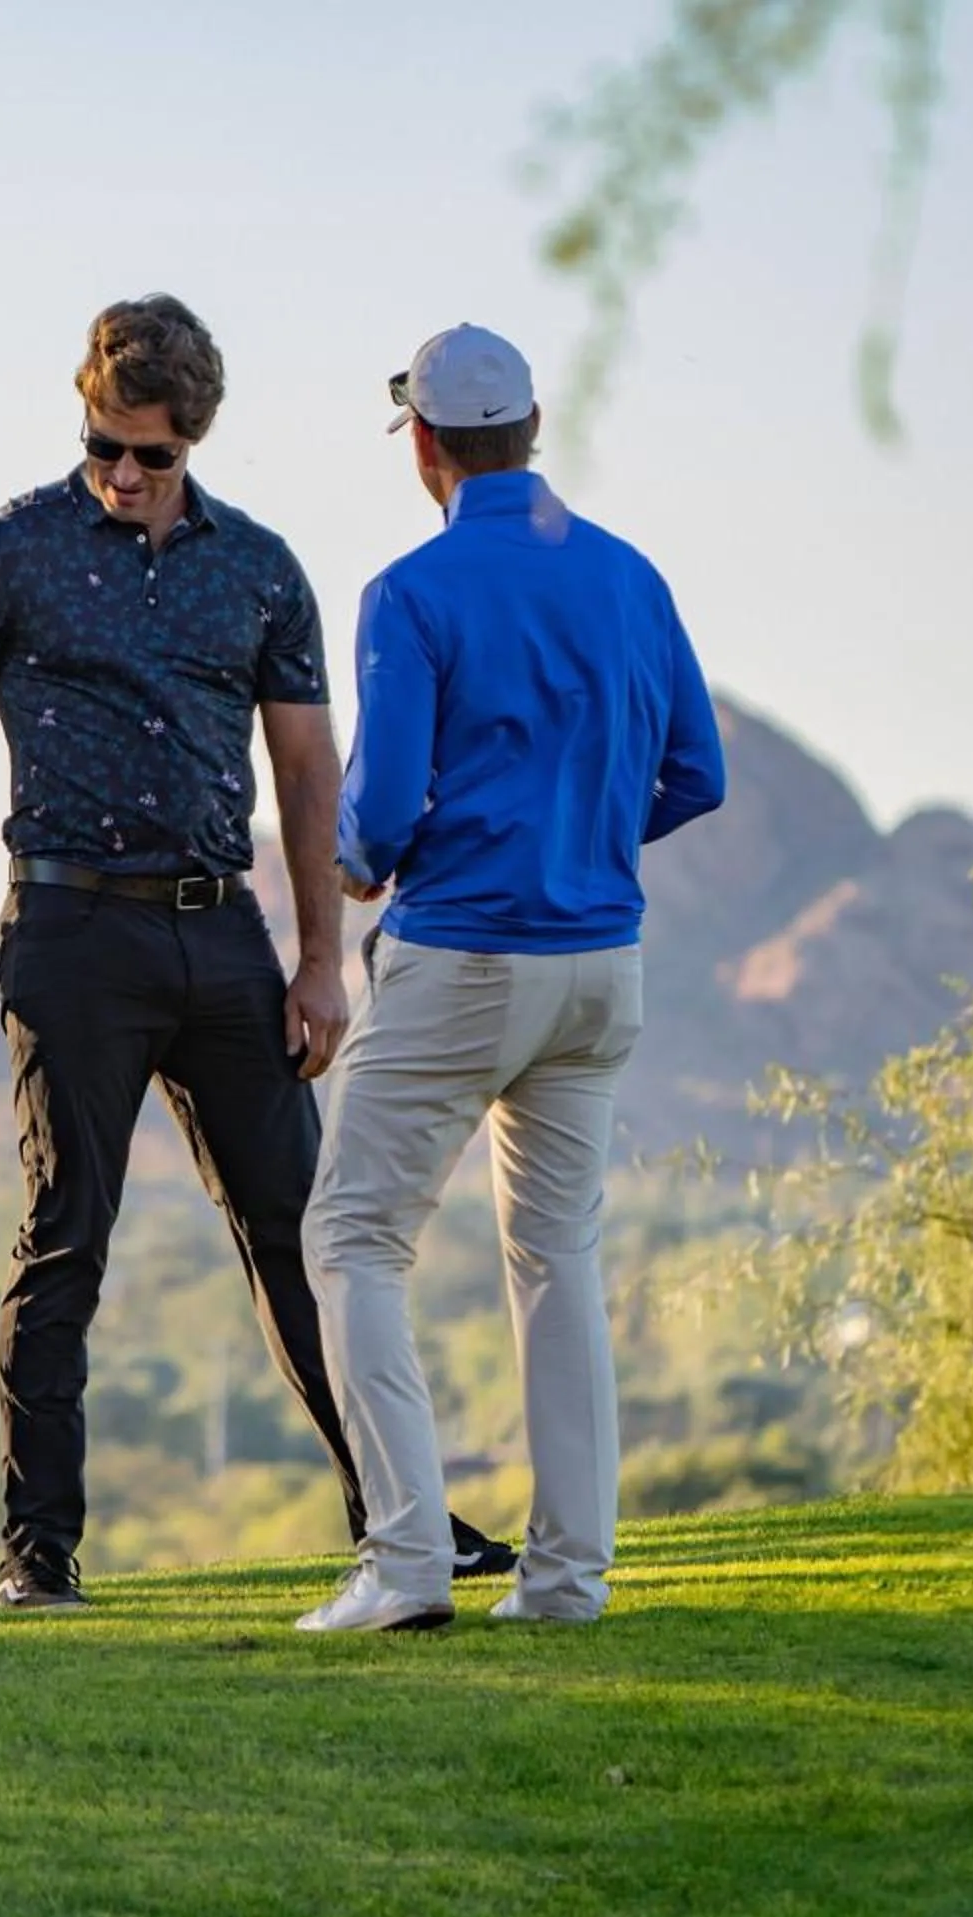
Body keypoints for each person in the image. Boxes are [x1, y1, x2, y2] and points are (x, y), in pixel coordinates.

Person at [0, 295, 512, 1610]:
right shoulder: (10, 553)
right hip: (71, 931)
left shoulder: (262, 571)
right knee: (68, 1234)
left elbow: (305, 768)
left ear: (193, 443)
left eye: (148, 456)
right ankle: (36, 1553)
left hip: (224, 935)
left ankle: (406, 1526)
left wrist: (321, 961)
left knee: (308, 1234)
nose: (119, 474)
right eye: (104, 444)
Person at [297, 323, 726, 1634]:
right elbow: (696, 774)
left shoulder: (413, 593)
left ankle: (409, 1565)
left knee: (355, 1239)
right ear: (533, 431)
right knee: (558, 1261)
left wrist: (371, 862)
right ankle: (566, 1585)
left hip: (467, 956)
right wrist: (582, 838)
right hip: (602, 965)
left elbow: (372, 815)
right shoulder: (631, 577)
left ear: (423, 444)